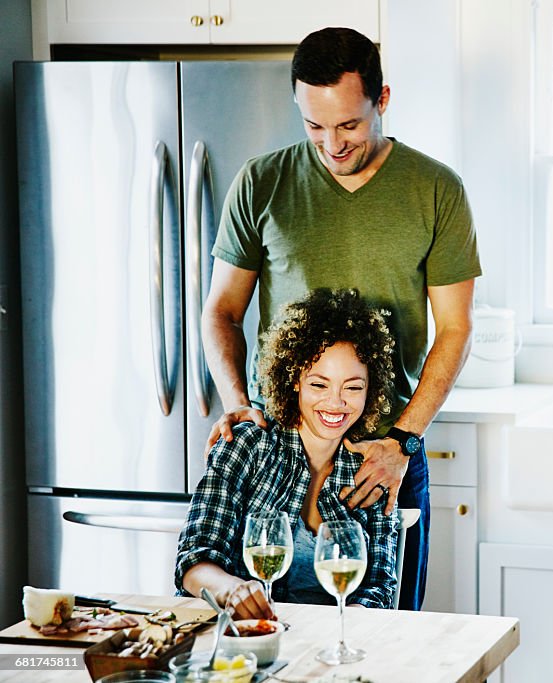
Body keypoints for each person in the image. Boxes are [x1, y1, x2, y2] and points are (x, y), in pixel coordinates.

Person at [201, 26, 480, 611]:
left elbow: (455, 329)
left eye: (348, 124)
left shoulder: (436, 190)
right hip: (277, 445)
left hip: (383, 451)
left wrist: (403, 440)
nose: (331, 143)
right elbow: (222, 313)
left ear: (381, 100)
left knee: (383, 635)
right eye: (314, 125)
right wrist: (235, 402)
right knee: (258, 627)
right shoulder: (261, 182)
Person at [177, 288, 399, 617]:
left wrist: (342, 628)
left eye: (352, 387)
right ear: (295, 380)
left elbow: (381, 587)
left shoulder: (372, 472)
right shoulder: (248, 447)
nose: (336, 403)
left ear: (371, 390)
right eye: (319, 385)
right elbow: (194, 559)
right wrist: (232, 591)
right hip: (243, 644)